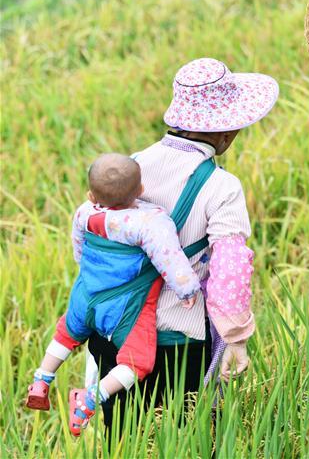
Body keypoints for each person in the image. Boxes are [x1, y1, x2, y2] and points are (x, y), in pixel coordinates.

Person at [86, 57, 279, 433]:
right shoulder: (222, 187)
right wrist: (236, 340)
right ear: (225, 134)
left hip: (113, 333)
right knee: (188, 434)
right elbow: (229, 270)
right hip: (176, 341)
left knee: (123, 437)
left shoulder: (132, 165)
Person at [25, 154, 201, 436]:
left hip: (86, 294)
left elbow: (78, 249)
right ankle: (91, 398)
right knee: (137, 361)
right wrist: (187, 288)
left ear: (91, 194)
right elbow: (169, 258)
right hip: (125, 308)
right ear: (141, 191)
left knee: (66, 332)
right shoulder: (150, 221)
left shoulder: (85, 212)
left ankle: (42, 378)